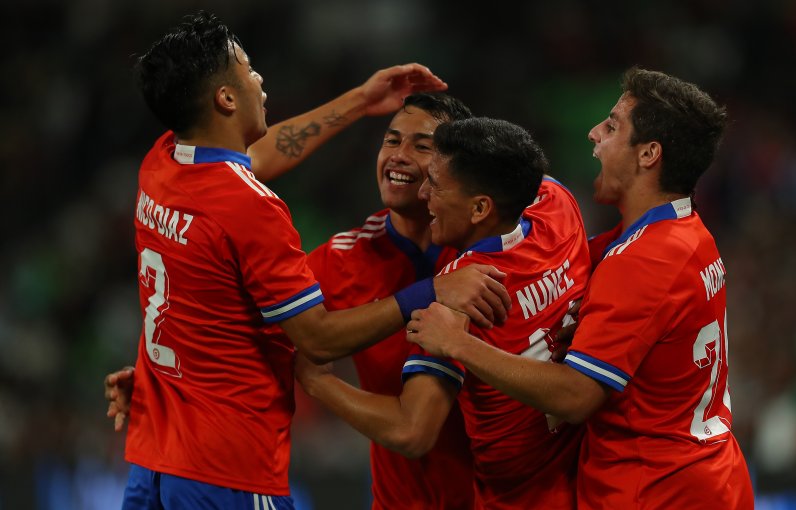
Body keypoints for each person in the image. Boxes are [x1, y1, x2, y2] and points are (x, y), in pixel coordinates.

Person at [119, 11, 509, 509]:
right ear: (226, 97)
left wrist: (363, 100)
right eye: (249, 70)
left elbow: (247, 166)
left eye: (421, 145)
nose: (261, 80)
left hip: (158, 452)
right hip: (229, 466)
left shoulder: (163, 161)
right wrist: (430, 293)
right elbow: (317, 338)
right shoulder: (276, 222)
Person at [406, 67, 755, 509]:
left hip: (657, 491)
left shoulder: (642, 261)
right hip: (709, 474)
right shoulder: (686, 231)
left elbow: (576, 396)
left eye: (612, 126)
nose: (593, 134)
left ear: (649, 154)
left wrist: (458, 344)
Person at [295, 116, 592, 509]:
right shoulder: (557, 206)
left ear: (480, 207)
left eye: (435, 185)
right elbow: (518, 163)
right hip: (581, 480)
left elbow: (411, 431)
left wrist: (316, 383)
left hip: (514, 498)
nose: (423, 195)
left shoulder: (461, 295)